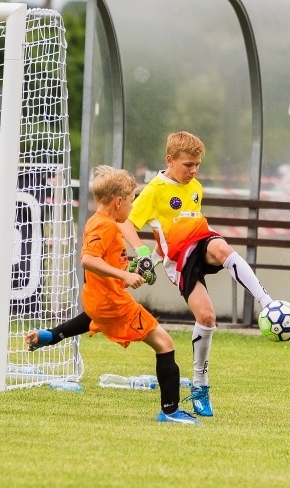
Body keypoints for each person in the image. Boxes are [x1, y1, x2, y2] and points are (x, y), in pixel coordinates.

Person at [118, 131, 276, 418]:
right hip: (179, 261)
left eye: (197, 165)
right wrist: (144, 255)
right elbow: (128, 225)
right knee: (206, 317)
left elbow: (188, 227)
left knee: (222, 248)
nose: (193, 171)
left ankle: (267, 303)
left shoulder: (195, 188)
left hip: (202, 242)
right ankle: (200, 386)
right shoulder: (155, 190)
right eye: (187, 165)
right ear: (170, 160)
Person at [26, 165, 198, 425]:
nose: (131, 209)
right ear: (118, 202)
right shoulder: (105, 227)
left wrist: (131, 269)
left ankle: (49, 337)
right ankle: (170, 411)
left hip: (96, 302)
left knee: (92, 317)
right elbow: (88, 260)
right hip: (113, 306)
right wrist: (125, 276)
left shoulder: (99, 222)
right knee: (165, 344)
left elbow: (105, 264)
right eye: (130, 202)